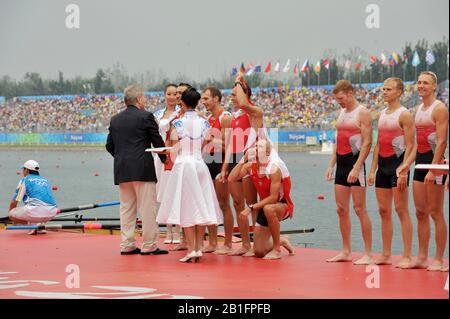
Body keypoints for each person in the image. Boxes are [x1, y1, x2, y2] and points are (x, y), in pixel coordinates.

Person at [157, 87, 223, 263]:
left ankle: (192, 249)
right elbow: (209, 142)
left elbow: (174, 144)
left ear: (183, 103)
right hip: (200, 164)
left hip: (184, 165)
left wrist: (166, 151)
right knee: (201, 205)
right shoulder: (204, 122)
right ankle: (198, 247)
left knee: (186, 206)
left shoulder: (177, 123)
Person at [106, 84, 168, 256]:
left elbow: (109, 145)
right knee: (147, 208)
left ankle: (127, 244)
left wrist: (121, 158)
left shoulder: (115, 119)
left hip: (122, 170)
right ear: (139, 99)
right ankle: (149, 245)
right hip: (142, 169)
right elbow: (157, 141)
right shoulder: (146, 116)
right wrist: (165, 158)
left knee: (126, 209)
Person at [398, 71, 448, 271]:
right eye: (419, 82)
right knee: (420, 212)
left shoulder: (440, 109)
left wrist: (434, 170)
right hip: (421, 163)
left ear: (434, 86)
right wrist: (407, 164)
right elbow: (418, 145)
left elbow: (442, 141)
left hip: (435, 165)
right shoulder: (418, 109)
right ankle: (421, 257)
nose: (421, 86)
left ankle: (439, 259)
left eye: (425, 83)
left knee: (436, 212)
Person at [368, 78, 414, 268]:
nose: (384, 92)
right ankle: (386, 254)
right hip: (383, 168)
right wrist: (372, 170)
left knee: (401, 210)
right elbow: (378, 144)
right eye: (383, 88)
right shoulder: (382, 114)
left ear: (399, 92)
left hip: (398, 167)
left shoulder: (405, 115)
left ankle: (407, 256)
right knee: (383, 211)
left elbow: (411, 146)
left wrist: (403, 170)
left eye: (389, 89)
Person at [326, 80, 373, 265]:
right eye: (337, 99)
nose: (339, 102)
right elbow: (339, 140)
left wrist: (357, 166)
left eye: (341, 98)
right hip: (341, 165)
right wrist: (331, 164)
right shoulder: (342, 112)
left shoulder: (363, 113)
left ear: (350, 93)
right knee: (341, 209)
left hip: (356, 165)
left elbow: (367, 142)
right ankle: (346, 251)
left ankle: (368, 253)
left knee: (359, 209)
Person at [220, 74, 265, 256]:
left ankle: (257, 244)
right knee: (238, 203)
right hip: (234, 160)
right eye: (230, 95)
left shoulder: (253, 111)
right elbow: (230, 143)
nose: (232, 98)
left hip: (249, 158)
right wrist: (224, 166)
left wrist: (239, 83)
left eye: (234, 94)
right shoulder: (234, 117)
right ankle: (245, 244)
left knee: (251, 203)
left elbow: (245, 103)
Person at [228, 139, 295, 260]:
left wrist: (250, 208)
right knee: (259, 251)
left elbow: (274, 198)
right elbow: (231, 178)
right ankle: (282, 241)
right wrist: (244, 159)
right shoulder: (250, 167)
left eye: (261, 147)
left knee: (269, 208)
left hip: (281, 206)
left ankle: (276, 249)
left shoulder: (273, 169)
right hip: (264, 207)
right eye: (256, 146)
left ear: (268, 153)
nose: (257, 149)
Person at [201, 86, 234, 254]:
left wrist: (212, 139)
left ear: (216, 98)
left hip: (221, 162)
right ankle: (212, 242)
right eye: (202, 99)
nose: (203, 102)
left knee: (223, 203)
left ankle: (228, 243)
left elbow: (228, 145)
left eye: (206, 99)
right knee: (209, 203)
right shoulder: (208, 118)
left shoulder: (225, 117)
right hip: (208, 161)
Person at [154, 84, 182, 244]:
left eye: (174, 94)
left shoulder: (181, 113)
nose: (172, 97)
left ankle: (178, 230)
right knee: (164, 192)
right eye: (169, 94)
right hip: (160, 156)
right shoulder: (157, 115)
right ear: (164, 95)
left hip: (177, 154)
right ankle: (168, 231)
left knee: (176, 191)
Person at [8, 160, 58, 235]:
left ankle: (32, 225)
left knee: (11, 214)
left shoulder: (25, 180)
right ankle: (40, 226)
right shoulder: (45, 180)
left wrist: (11, 216)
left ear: (27, 170)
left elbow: (14, 201)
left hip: (35, 211)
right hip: (52, 212)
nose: (22, 171)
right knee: (35, 205)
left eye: (23, 169)